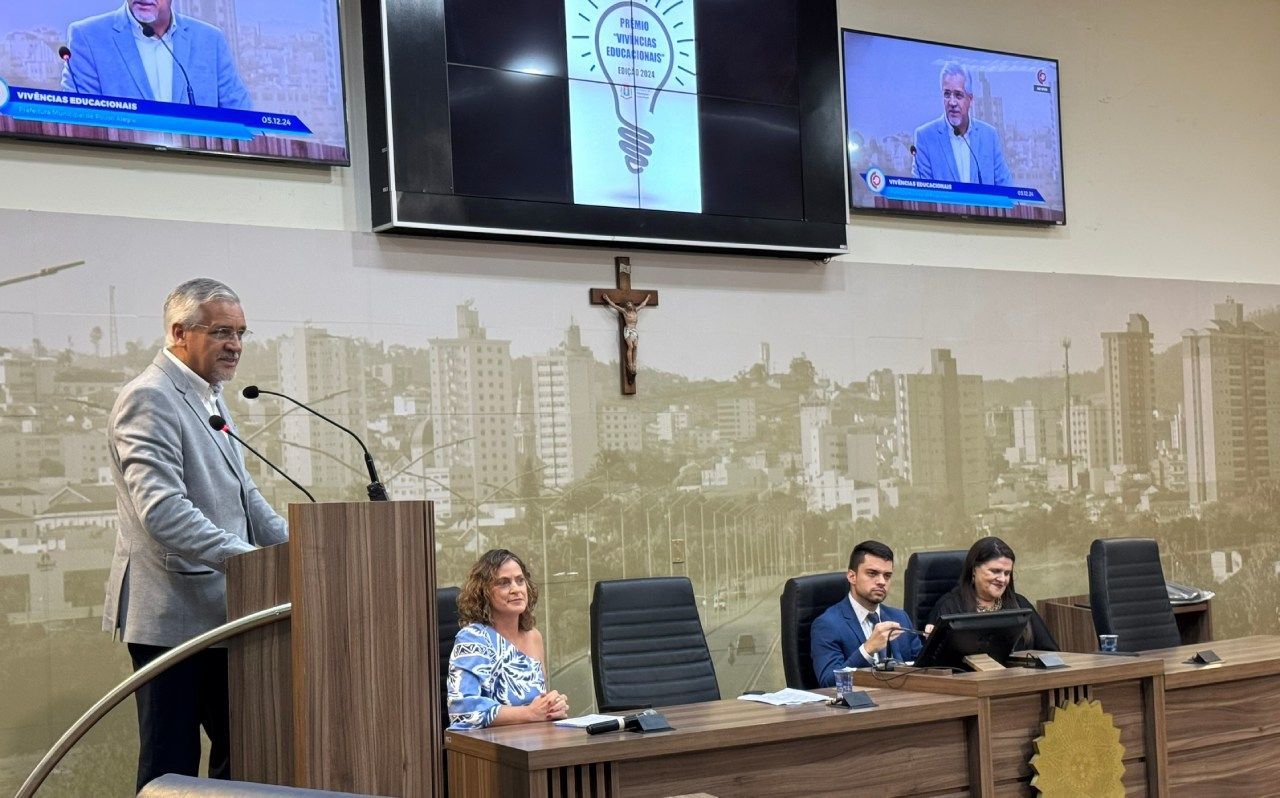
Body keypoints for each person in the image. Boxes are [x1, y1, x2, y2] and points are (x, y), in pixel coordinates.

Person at [106, 278, 288, 791]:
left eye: (241, 333)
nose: (235, 345)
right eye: (222, 332)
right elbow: (162, 511)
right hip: (172, 616)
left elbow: (244, 495)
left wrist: (304, 550)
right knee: (172, 766)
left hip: (220, 613)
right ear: (179, 332)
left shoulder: (209, 393)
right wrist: (251, 561)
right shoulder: (149, 397)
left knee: (245, 750)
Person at [448, 549, 570, 730]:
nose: (516, 589)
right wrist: (530, 713)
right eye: (504, 583)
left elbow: (538, 702)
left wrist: (553, 705)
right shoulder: (473, 639)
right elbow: (463, 711)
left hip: (536, 740)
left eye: (520, 581)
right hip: (492, 748)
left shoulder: (534, 636)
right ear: (484, 593)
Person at [60, 0, 252, 109]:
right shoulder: (88, 36)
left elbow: (243, 117)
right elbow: (80, 117)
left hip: (198, 169)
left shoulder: (210, 39)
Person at [810, 540, 924, 687]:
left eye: (887, 575)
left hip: (903, 703)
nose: (882, 581)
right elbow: (828, 683)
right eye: (872, 573)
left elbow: (923, 669)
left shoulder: (900, 618)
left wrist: (937, 643)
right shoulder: (827, 625)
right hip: (859, 707)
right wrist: (867, 649)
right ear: (852, 577)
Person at [926, 536, 1058, 651]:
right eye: (995, 571)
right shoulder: (950, 607)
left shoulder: (1020, 604)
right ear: (973, 570)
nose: (1002, 579)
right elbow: (939, 666)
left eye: (1007, 573)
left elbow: (1051, 651)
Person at [912, 62, 1011, 186]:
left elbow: (1006, 187)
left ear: (970, 99)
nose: (952, 102)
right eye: (947, 94)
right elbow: (922, 195)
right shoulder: (925, 137)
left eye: (958, 95)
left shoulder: (989, 136)